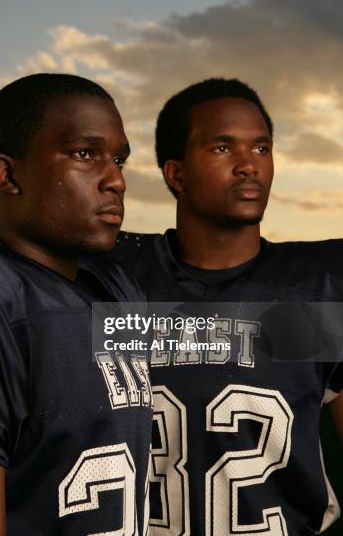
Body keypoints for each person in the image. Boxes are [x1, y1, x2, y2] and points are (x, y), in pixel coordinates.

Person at [108, 78, 343, 535]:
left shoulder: (316, 287)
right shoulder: (114, 280)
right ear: (175, 174)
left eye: (261, 148)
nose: (248, 166)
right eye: (222, 148)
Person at [0, 73, 153, 535]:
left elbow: (228, 344)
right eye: (84, 154)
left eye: (118, 159)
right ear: (8, 174)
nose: (116, 180)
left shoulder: (114, 287)